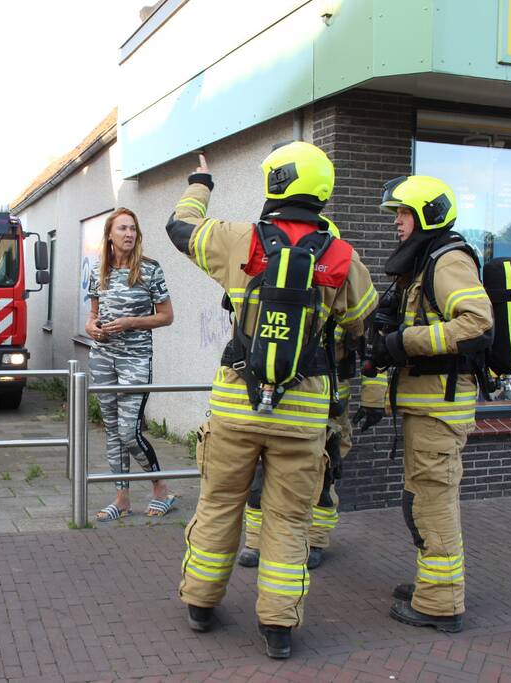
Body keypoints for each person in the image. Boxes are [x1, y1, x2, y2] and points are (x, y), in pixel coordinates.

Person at [165, 143, 377, 659]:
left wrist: (202, 185)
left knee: (219, 504)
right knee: (287, 519)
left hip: (237, 402)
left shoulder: (237, 238)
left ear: (276, 183)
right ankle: (278, 628)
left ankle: (199, 604)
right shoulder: (345, 258)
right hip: (304, 412)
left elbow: (178, 226)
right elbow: (357, 330)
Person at [366, 175, 494, 633]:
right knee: (419, 500)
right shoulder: (423, 263)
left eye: (402, 213)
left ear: (426, 215)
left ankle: (441, 604)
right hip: (425, 408)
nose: (396, 222)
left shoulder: (448, 260)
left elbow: (478, 324)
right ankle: (432, 584)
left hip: (441, 411)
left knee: (432, 503)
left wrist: (405, 341)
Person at [237, 360, 387, 570]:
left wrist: (374, 398)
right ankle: (255, 541)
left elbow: (373, 350)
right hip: (279, 402)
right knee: (262, 472)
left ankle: (315, 541)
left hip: (329, 406)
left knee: (323, 475)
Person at [86, 208, 175, 522]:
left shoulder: (150, 270)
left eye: (133, 229)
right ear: (110, 234)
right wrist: (91, 327)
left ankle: (161, 488)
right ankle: (121, 499)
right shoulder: (98, 269)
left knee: (128, 431)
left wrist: (131, 322)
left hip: (135, 358)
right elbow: (92, 315)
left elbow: (166, 316)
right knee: (112, 430)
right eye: (122, 228)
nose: (129, 234)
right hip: (102, 356)